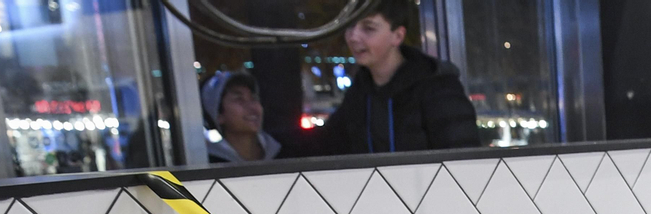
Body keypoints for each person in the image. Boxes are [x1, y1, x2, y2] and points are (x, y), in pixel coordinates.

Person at [311, 0, 480, 156]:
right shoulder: (360, 92)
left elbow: (463, 163)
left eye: (368, 28)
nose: (353, 37)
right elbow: (326, 144)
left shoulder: (439, 88)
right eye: (350, 26)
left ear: (398, 36)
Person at [201, 71, 282, 164]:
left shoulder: (287, 153)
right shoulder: (209, 165)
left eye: (253, 98)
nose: (252, 106)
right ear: (219, 116)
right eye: (239, 99)